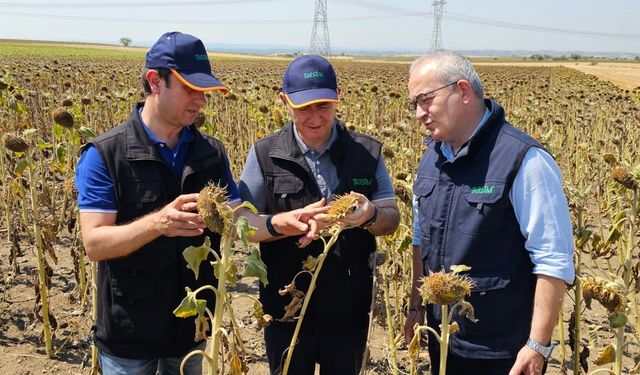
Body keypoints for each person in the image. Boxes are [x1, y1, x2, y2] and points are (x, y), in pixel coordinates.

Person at [75, 32, 325, 375]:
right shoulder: (106, 154)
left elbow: (236, 218)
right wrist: (157, 223)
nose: (200, 101)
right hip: (129, 332)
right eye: (190, 89)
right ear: (155, 81)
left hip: (192, 331)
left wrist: (280, 222)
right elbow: (94, 243)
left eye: (204, 92)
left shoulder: (210, 152)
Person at [403, 51, 575, 375]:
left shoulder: (523, 159)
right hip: (445, 341)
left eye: (425, 100)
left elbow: (553, 259)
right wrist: (416, 306)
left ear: (463, 91)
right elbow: (418, 239)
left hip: (502, 351)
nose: (418, 113)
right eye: (414, 104)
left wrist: (537, 344)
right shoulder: (431, 157)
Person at [238, 55, 401, 375]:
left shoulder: (367, 152)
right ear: (284, 101)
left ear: (337, 97)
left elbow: (391, 217)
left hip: (348, 311)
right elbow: (242, 222)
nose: (314, 117)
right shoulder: (264, 153)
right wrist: (277, 224)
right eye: (303, 107)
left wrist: (370, 216)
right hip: (286, 310)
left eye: (323, 105)